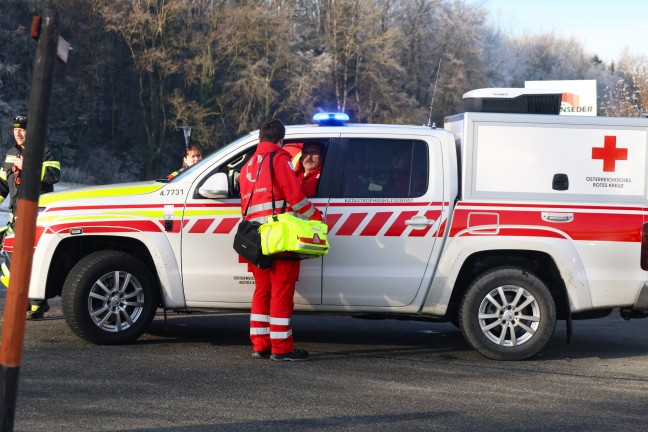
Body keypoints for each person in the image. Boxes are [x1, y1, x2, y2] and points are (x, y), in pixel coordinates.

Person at [239, 118, 322, 362]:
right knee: (281, 291)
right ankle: (281, 347)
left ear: (259, 138)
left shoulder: (248, 165)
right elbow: (295, 198)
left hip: (255, 237)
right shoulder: (279, 158)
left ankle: (260, 343)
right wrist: (317, 218)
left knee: (262, 291)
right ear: (280, 139)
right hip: (279, 237)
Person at [0, 114, 61, 319]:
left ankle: (37, 302)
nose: (17, 133)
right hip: (15, 217)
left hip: (38, 217)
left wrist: (29, 166)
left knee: (32, 259)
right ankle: (23, 298)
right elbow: (2, 185)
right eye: (15, 129)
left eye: (22, 129)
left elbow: (54, 176)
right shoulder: (9, 154)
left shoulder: (44, 152)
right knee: (10, 258)